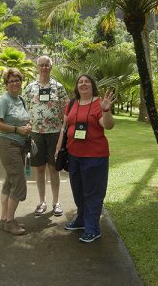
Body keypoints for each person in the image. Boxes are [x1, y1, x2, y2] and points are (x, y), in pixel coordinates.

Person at [55, 74, 115, 243]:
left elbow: (108, 125)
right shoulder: (72, 103)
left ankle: (93, 228)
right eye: (80, 82)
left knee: (93, 193)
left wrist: (105, 110)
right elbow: (65, 127)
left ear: (92, 85)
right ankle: (81, 220)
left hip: (95, 156)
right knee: (79, 191)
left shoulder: (99, 103)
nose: (83, 84)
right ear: (77, 86)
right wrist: (59, 146)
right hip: (74, 155)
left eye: (87, 81)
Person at [24, 55, 69, 216]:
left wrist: (64, 130)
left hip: (55, 133)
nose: (44, 67)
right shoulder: (30, 88)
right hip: (36, 134)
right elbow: (24, 110)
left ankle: (56, 202)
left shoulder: (58, 87)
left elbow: (66, 110)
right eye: (41, 65)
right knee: (39, 169)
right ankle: (42, 201)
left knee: (53, 168)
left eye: (46, 65)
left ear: (51, 67)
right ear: (38, 67)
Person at [0, 68, 31, 235]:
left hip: (20, 145)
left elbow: (25, 119)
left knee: (10, 182)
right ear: (6, 84)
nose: (15, 83)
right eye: (11, 81)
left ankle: (3, 219)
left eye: (17, 80)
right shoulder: (3, 100)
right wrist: (17, 130)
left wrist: (28, 127)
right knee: (19, 182)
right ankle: (10, 221)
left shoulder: (20, 99)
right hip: (9, 144)